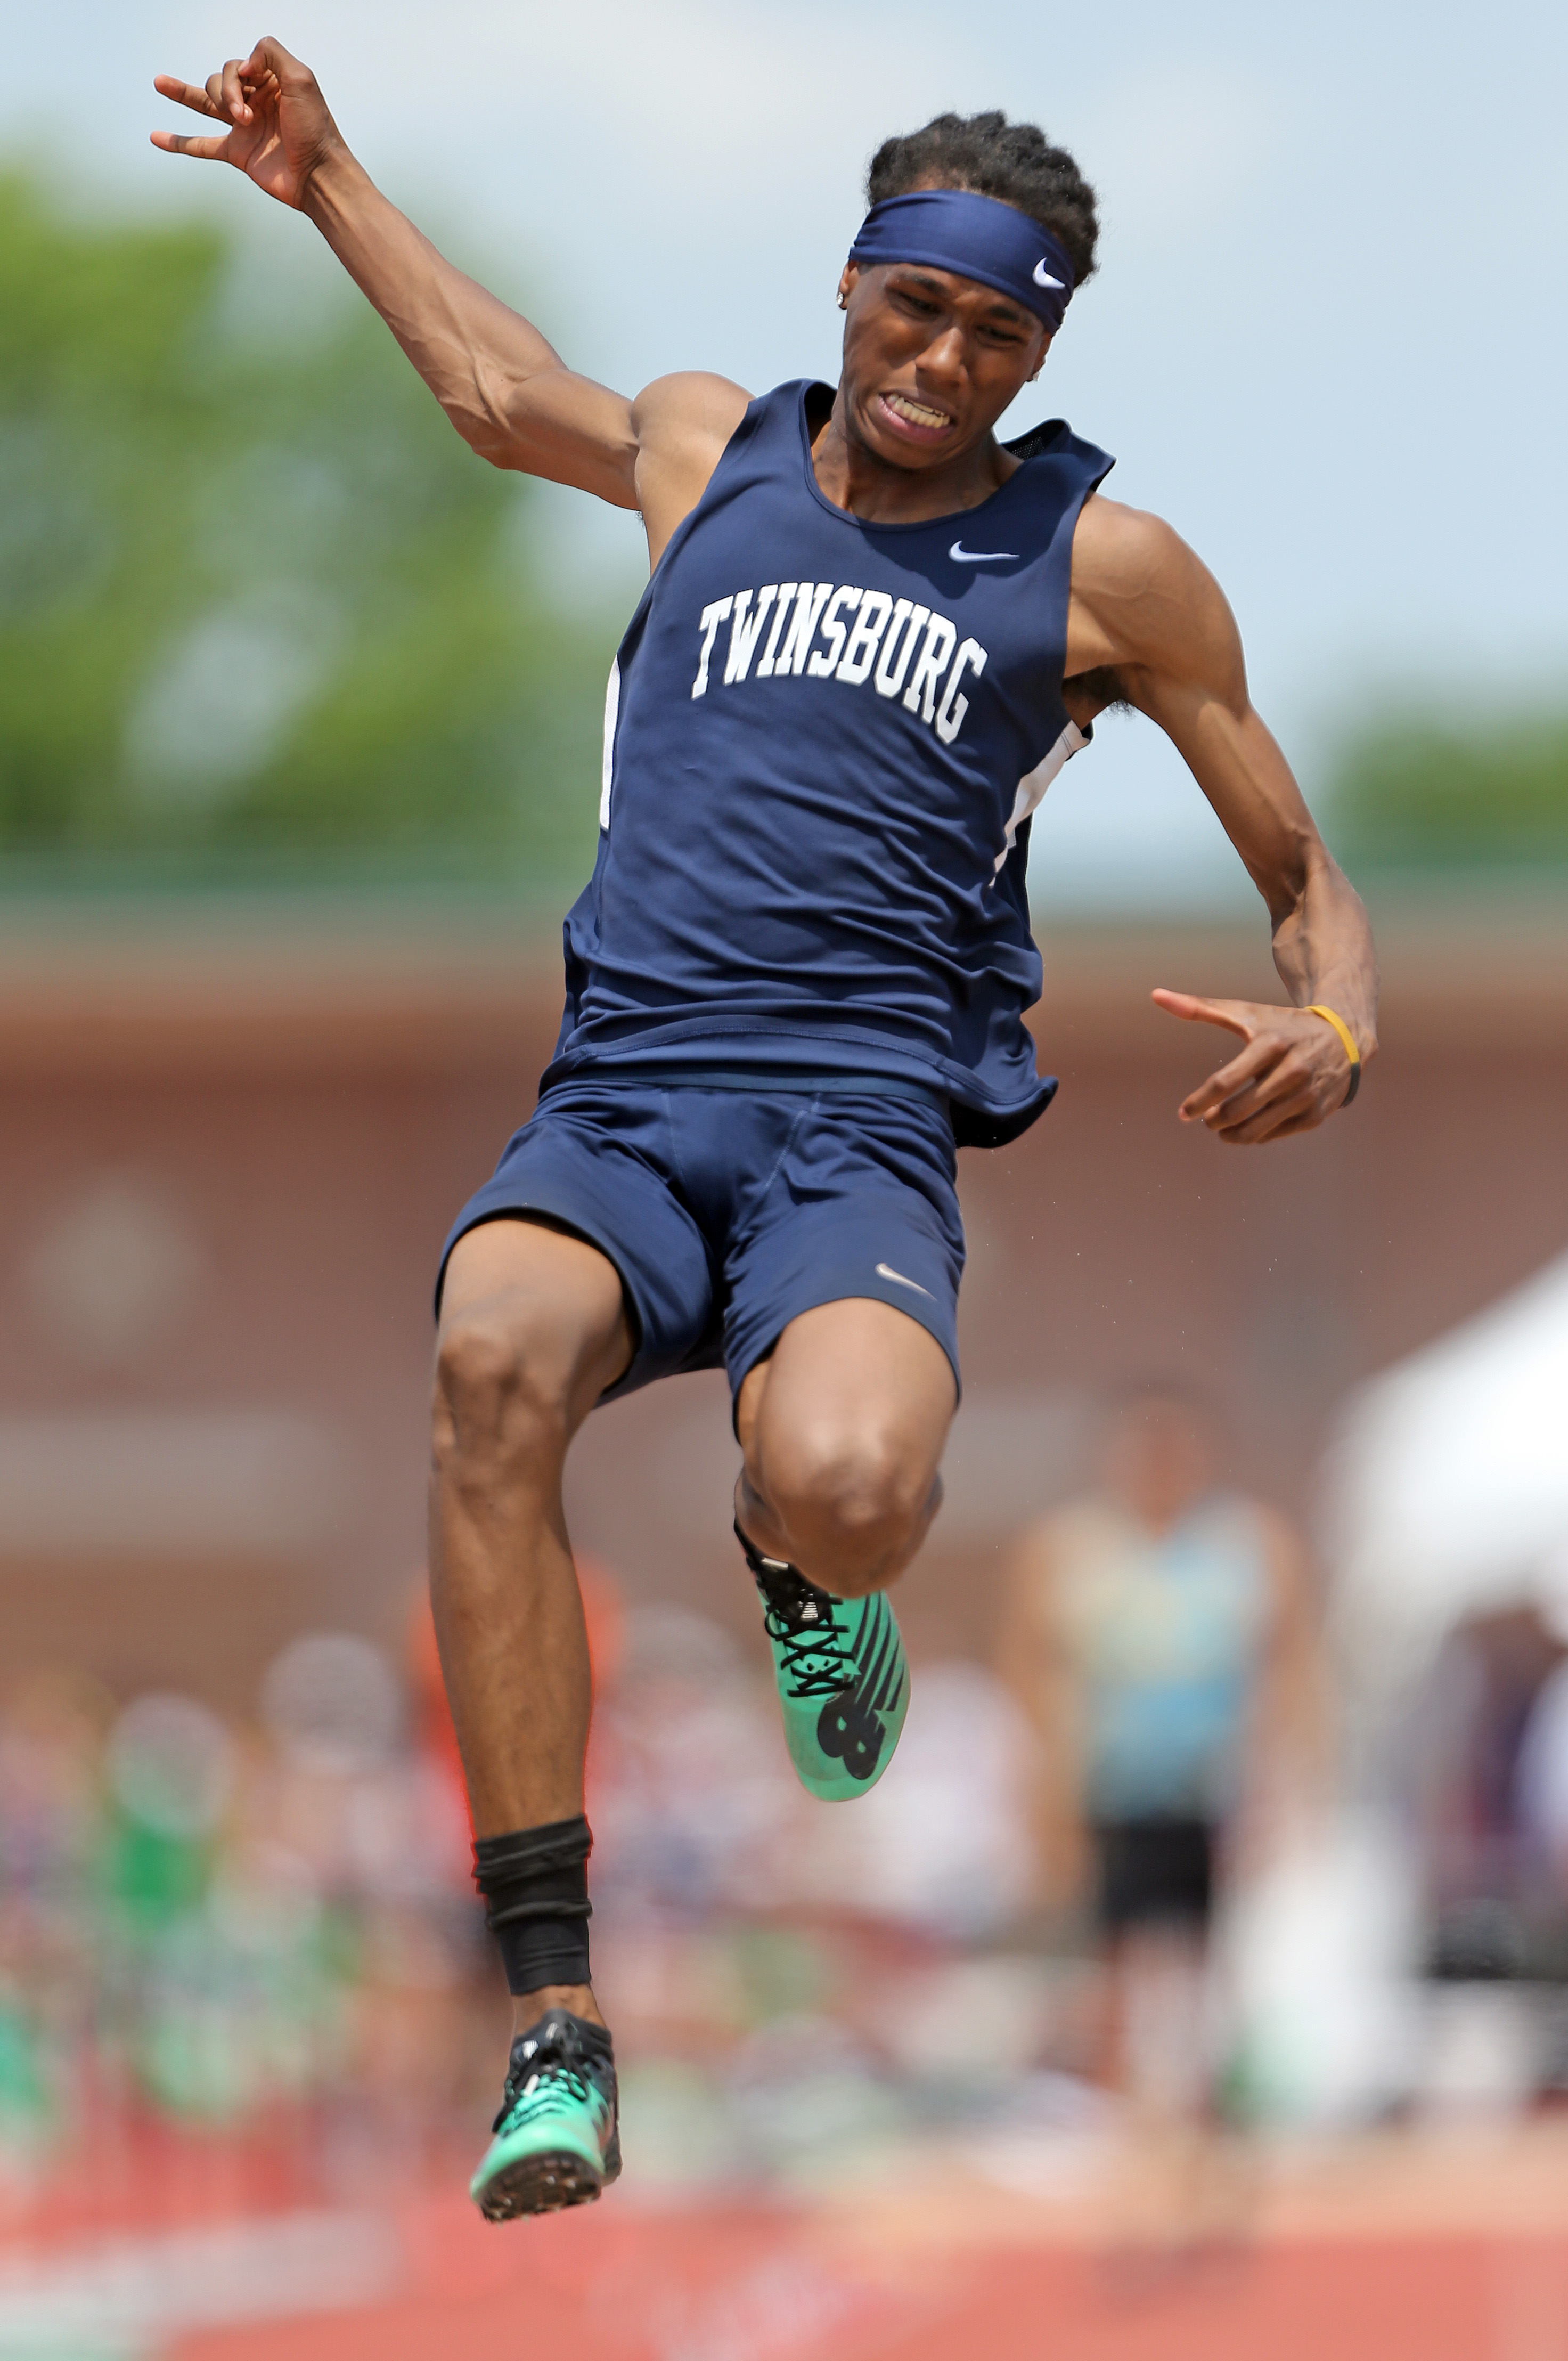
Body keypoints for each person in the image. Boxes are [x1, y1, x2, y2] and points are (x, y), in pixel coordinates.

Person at [151, 46, 1379, 2220]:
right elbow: (483, 380)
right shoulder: (708, 449)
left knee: (855, 1486)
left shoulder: (1107, 566)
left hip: (855, 1130)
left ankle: (799, 1574)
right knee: (483, 1361)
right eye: (917, 306)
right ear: (854, 283)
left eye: (997, 333)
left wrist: (1341, 1018)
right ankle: (552, 2012)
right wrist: (329, 176)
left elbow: (1297, 860)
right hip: (624, 1092)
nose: (943, 357)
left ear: (1039, 351)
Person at [999, 1387, 1325, 2243]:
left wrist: (1283, 1789)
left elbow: (1286, 1675)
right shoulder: (1072, 1551)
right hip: (1113, 1791)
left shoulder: (1245, 1547)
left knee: (1210, 1973)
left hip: (1207, 1792)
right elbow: (1035, 1679)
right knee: (1114, 1970)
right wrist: (1044, 1805)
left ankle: (1209, 2147)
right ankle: (1128, 2147)